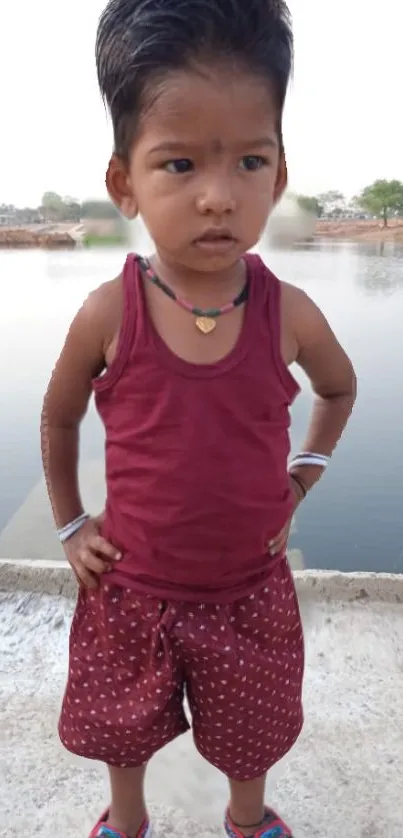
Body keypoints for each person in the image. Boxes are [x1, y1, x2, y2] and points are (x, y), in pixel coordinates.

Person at [40, 1, 356, 836]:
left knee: (250, 733)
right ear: (125, 185)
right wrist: (72, 522)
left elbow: (338, 390)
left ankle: (247, 821)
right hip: (132, 588)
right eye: (178, 164)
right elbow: (59, 419)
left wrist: (302, 476)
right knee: (125, 726)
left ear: (278, 176)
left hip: (248, 589)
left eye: (250, 161)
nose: (219, 197)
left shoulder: (288, 313)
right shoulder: (110, 312)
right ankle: (129, 819)